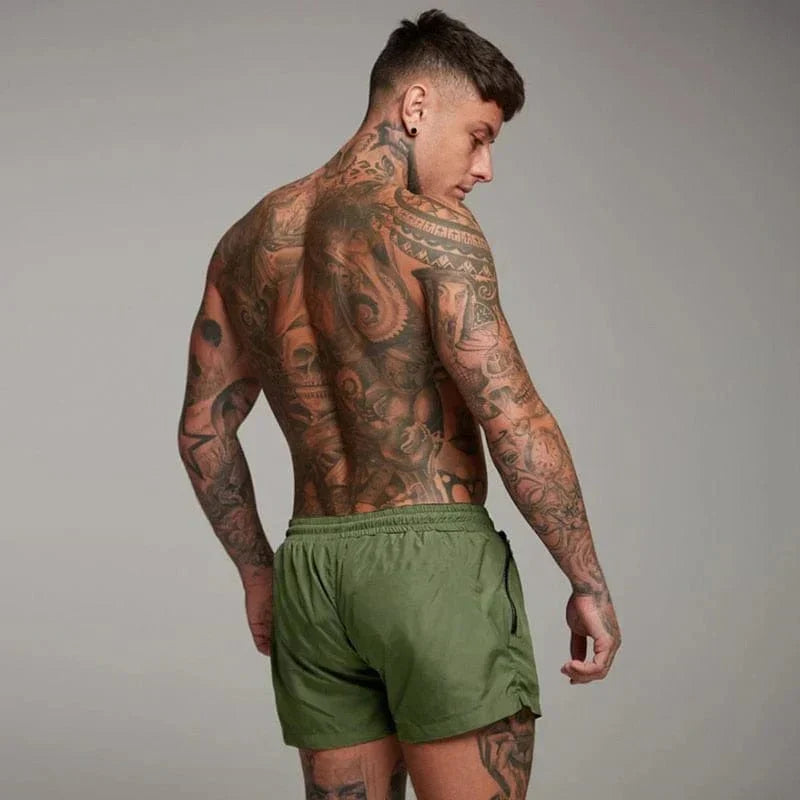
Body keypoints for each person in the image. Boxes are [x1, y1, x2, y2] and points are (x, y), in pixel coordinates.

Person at [177, 8, 621, 799]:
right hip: (432, 564)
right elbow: (514, 418)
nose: (485, 168)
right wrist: (586, 580)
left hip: (312, 569)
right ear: (416, 106)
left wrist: (258, 574)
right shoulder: (433, 231)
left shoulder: (246, 243)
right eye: (479, 136)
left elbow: (202, 432)